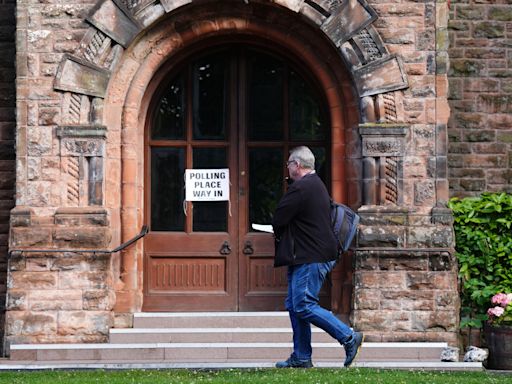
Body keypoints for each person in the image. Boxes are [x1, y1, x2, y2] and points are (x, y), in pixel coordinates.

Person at [272, 146, 363, 368]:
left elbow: (279, 217)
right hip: (307, 254)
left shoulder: (302, 187)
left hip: (310, 256)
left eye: (289, 164)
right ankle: (302, 356)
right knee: (295, 305)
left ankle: (348, 337)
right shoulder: (316, 185)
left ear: (297, 165)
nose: (288, 168)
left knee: (303, 304)